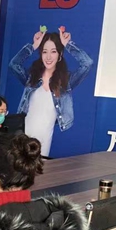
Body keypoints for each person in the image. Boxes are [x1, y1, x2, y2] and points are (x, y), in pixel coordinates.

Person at [9, 28, 93, 157]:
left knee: (40, 167)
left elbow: (87, 64)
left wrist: (68, 45)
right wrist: (33, 46)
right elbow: (14, 64)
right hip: (22, 137)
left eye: (53, 51)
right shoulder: (31, 78)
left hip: (43, 142)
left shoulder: (65, 82)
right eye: (44, 52)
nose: (48, 57)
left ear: (60, 54)